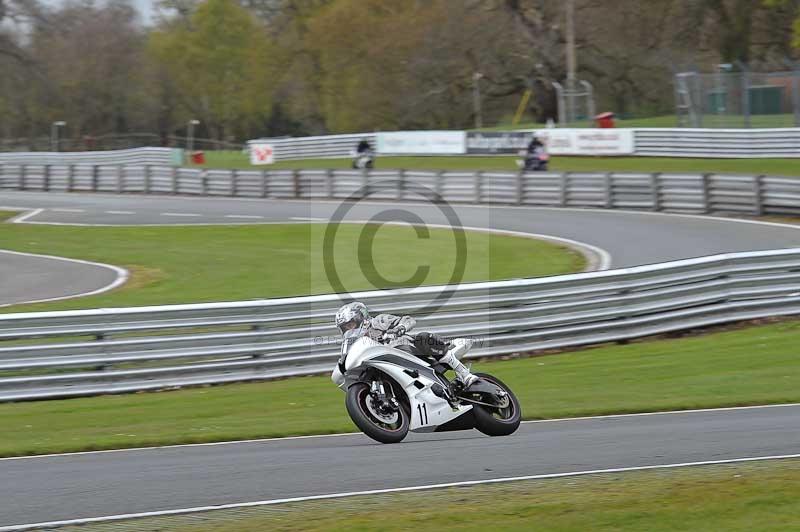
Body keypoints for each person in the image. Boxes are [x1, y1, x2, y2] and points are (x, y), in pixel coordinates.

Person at [332, 301, 478, 388]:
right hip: (385, 364)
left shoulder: (378, 321)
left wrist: (398, 329)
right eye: (345, 328)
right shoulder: (354, 343)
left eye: (350, 325)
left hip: (407, 349)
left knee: (423, 337)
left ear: (360, 318)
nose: (349, 329)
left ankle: (464, 374)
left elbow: (408, 320)